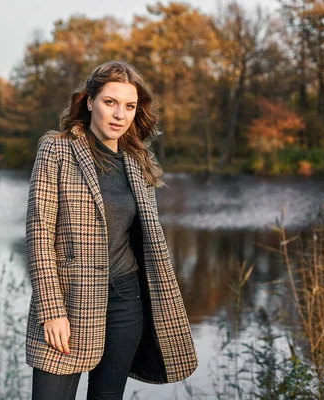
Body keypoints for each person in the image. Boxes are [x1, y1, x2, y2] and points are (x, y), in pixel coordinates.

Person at [25, 61, 198, 400]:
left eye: (129, 106)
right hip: (70, 302)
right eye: (110, 102)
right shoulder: (56, 150)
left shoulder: (138, 160)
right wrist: (51, 310)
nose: (120, 114)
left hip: (125, 301)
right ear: (89, 101)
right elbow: (39, 234)